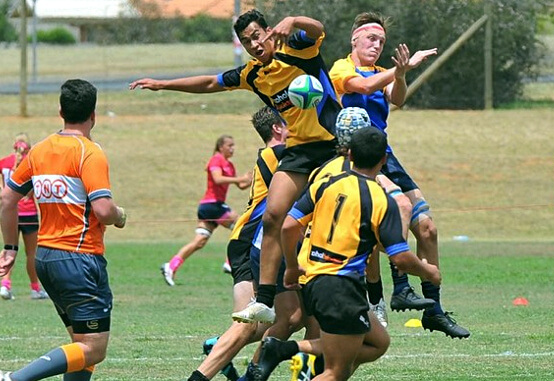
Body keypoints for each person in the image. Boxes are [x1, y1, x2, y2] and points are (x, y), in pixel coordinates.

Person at [130, 8, 342, 323]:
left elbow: (317, 28)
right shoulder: (252, 75)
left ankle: (375, 292)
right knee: (272, 217)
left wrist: (294, 19)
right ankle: (266, 302)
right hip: (299, 149)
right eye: (247, 41)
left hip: (333, 145)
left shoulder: (297, 47)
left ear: (269, 31)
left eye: (257, 36)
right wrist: (163, 85)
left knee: (346, 213)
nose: (254, 45)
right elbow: (209, 83)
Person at [252, 127, 441, 381]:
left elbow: (288, 225)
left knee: (378, 342)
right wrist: (428, 271)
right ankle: (284, 349)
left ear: (349, 154)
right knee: (335, 372)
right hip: (341, 286)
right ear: (384, 160)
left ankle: (284, 348)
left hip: (314, 281)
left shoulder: (328, 183)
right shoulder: (380, 199)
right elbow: (400, 258)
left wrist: (292, 267)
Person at [329, 11, 469, 338]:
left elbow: (398, 99)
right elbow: (362, 86)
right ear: (354, 40)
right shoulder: (342, 68)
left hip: (386, 155)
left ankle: (432, 311)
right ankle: (400, 285)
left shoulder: (384, 72)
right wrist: (399, 69)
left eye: (381, 41)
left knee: (429, 229)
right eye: (371, 39)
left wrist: (401, 75)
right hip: (357, 158)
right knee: (399, 212)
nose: (377, 45)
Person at [0, 79, 127, 381]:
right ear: (94, 115)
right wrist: (119, 216)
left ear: (60, 111)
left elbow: (6, 198)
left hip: (45, 259)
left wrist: (10, 248)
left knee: (80, 344)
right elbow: (104, 211)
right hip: (78, 260)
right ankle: (15, 378)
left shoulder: (39, 151)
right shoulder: (88, 152)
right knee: (94, 348)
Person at [188, 107, 303, 381]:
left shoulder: (276, 155)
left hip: (252, 239)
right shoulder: (275, 153)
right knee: (254, 323)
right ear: (277, 129)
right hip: (251, 239)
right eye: (290, 124)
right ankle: (224, 366)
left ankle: (229, 356)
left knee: (280, 319)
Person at [160, 134, 251, 286]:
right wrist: (239, 179)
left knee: (199, 241)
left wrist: (250, 180)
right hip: (212, 205)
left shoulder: (230, 165)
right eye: (229, 145)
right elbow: (218, 179)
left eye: (233, 145)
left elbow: (240, 186)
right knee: (243, 224)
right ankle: (230, 262)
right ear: (221, 147)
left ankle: (171, 266)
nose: (233, 148)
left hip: (212, 207)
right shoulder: (216, 159)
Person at [0, 133, 47, 300]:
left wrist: (1, 187)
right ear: (29, 147)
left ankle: (5, 286)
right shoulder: (30, 164)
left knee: (9, 249)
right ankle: (35, 288)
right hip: (29, 213)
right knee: (31, 253)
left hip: (10, 213)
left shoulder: (5, 162)